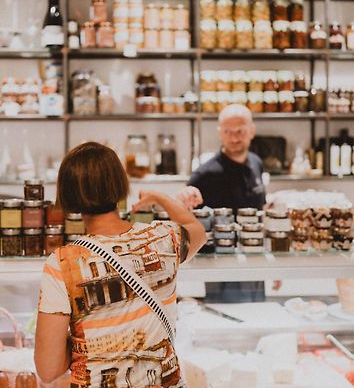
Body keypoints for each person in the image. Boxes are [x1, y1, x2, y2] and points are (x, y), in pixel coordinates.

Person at [35, 142, 206, 387]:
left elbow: (48, 370)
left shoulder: (63, 263)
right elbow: (198, 231)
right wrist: (159, 198)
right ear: (120, 185)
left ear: (68, 194)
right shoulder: (164, 238)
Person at [177, 103, 267, 303]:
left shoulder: (256, 163)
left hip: (255, 258)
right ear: (220, 133)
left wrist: (271, 267)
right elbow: (184, 211)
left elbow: (261, 209)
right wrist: (184, 197)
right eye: (228, 131)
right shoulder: (206, 174)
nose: (234, 137)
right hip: (222, 264)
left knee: (259, 315)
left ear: (251, 131)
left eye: (240, 131)